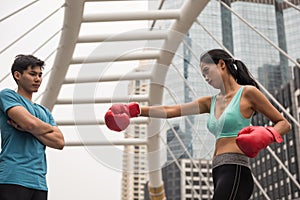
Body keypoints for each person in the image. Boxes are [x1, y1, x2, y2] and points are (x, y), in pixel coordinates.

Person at [104, 49, 291, 200]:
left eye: (207, 72)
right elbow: (172, 110)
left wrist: (267, 134)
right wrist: (135, 110)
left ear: (222, 65)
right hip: (218, 172)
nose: (206, 78)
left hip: (236, 170)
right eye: (203, 76)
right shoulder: (209, 102)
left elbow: (283, 123)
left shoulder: (248, 93)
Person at [0, 55, 65, 200]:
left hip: (39, 183)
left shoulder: (44, 111)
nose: (38, 79)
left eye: (40, 75)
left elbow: (59, 142)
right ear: (17, 75)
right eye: (32, 74)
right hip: (12, 178)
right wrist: (41, 128)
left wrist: (30, 128)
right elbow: (30, 124)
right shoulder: (8, 96)